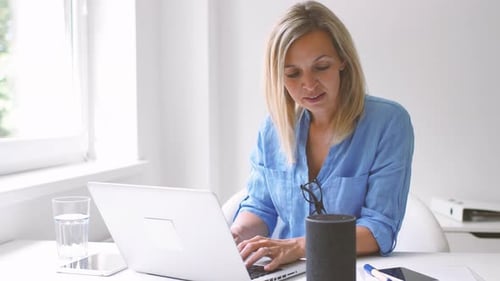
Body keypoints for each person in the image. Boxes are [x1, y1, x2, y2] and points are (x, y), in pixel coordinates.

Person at [230, 0, 414, 272]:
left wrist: (297, 246)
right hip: (285, 274)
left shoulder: (387, 123)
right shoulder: (272, 130)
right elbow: (260, 206)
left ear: (343, 60)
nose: (308, 85)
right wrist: (236, 237)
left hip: (351, 273)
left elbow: (379, 229)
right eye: (292, 73)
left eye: (321, 67)